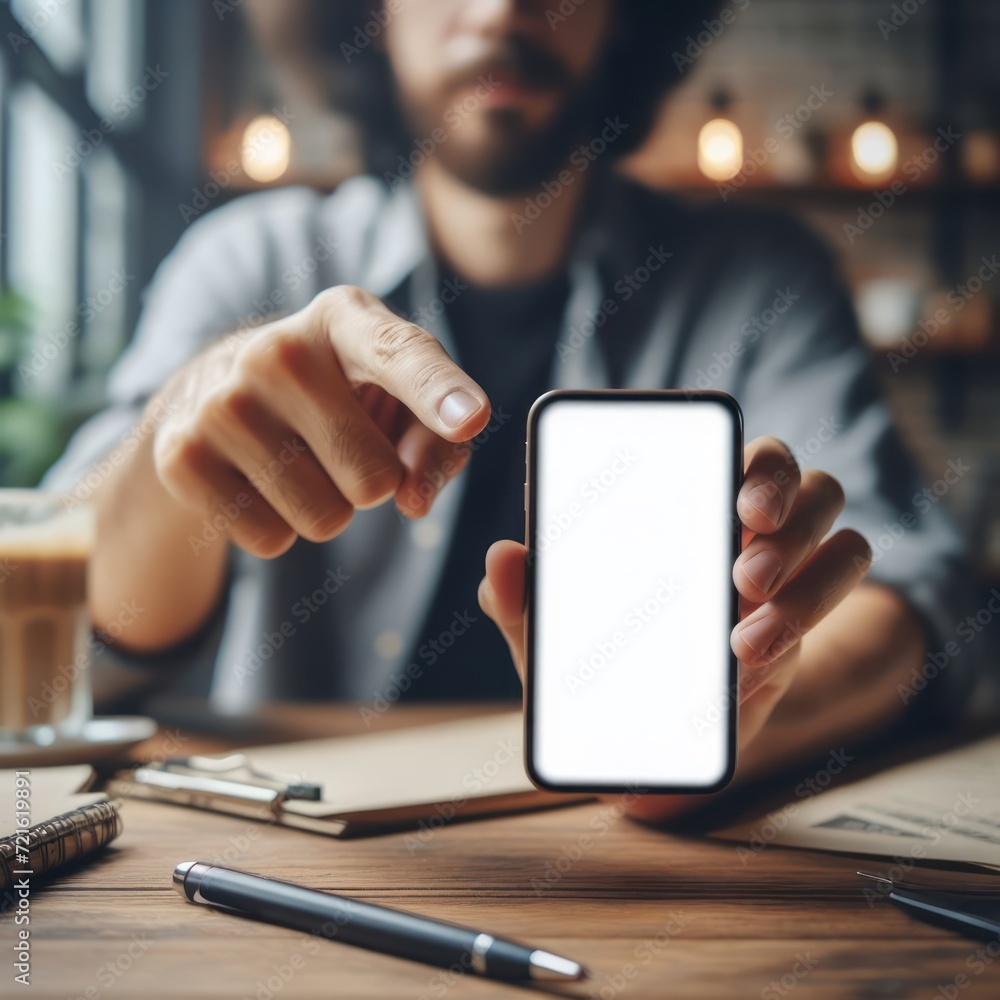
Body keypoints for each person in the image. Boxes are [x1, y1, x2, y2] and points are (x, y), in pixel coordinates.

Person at [47, 0, 976, 822]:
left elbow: (908, 593)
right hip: (303, 864)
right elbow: (55, 620)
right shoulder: (249, 263)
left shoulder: (761, 279)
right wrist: (185, 420)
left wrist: (748, 715)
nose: (500, 9)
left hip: (657, 879)